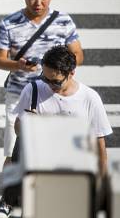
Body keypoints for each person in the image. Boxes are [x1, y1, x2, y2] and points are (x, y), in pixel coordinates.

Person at [0, 0, 84, 218]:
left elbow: (79, 54)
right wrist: (18, 65)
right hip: (18, 93)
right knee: (13, 150)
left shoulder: (63, 21)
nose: (38, 2)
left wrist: (57, 68)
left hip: (52, 95)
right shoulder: (9, 23)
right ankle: (8, 198)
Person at [12, 45, 112, 173]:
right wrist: (29, 125)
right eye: (45, 78)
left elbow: (99, 145)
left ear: (71, 73)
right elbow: (18, 129)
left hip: (76, 172)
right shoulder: (32, 91)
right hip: (39, 171)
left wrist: (101, 183)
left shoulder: (90, 98)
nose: (49, 84)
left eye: (56, 81)